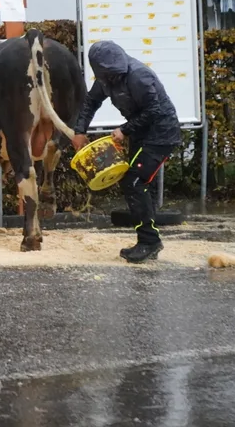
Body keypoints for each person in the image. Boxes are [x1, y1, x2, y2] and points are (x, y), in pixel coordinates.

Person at [72, 40, 182, 264]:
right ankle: (149, 242)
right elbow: (91, 102)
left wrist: (125, 129)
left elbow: (154, 110)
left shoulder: (139, 76)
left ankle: (149, 242)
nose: (114, 78)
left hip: (162, 134)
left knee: (134, 182)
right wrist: (79, 130)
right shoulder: (105, 80)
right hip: (142, 134)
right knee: (142, 184)